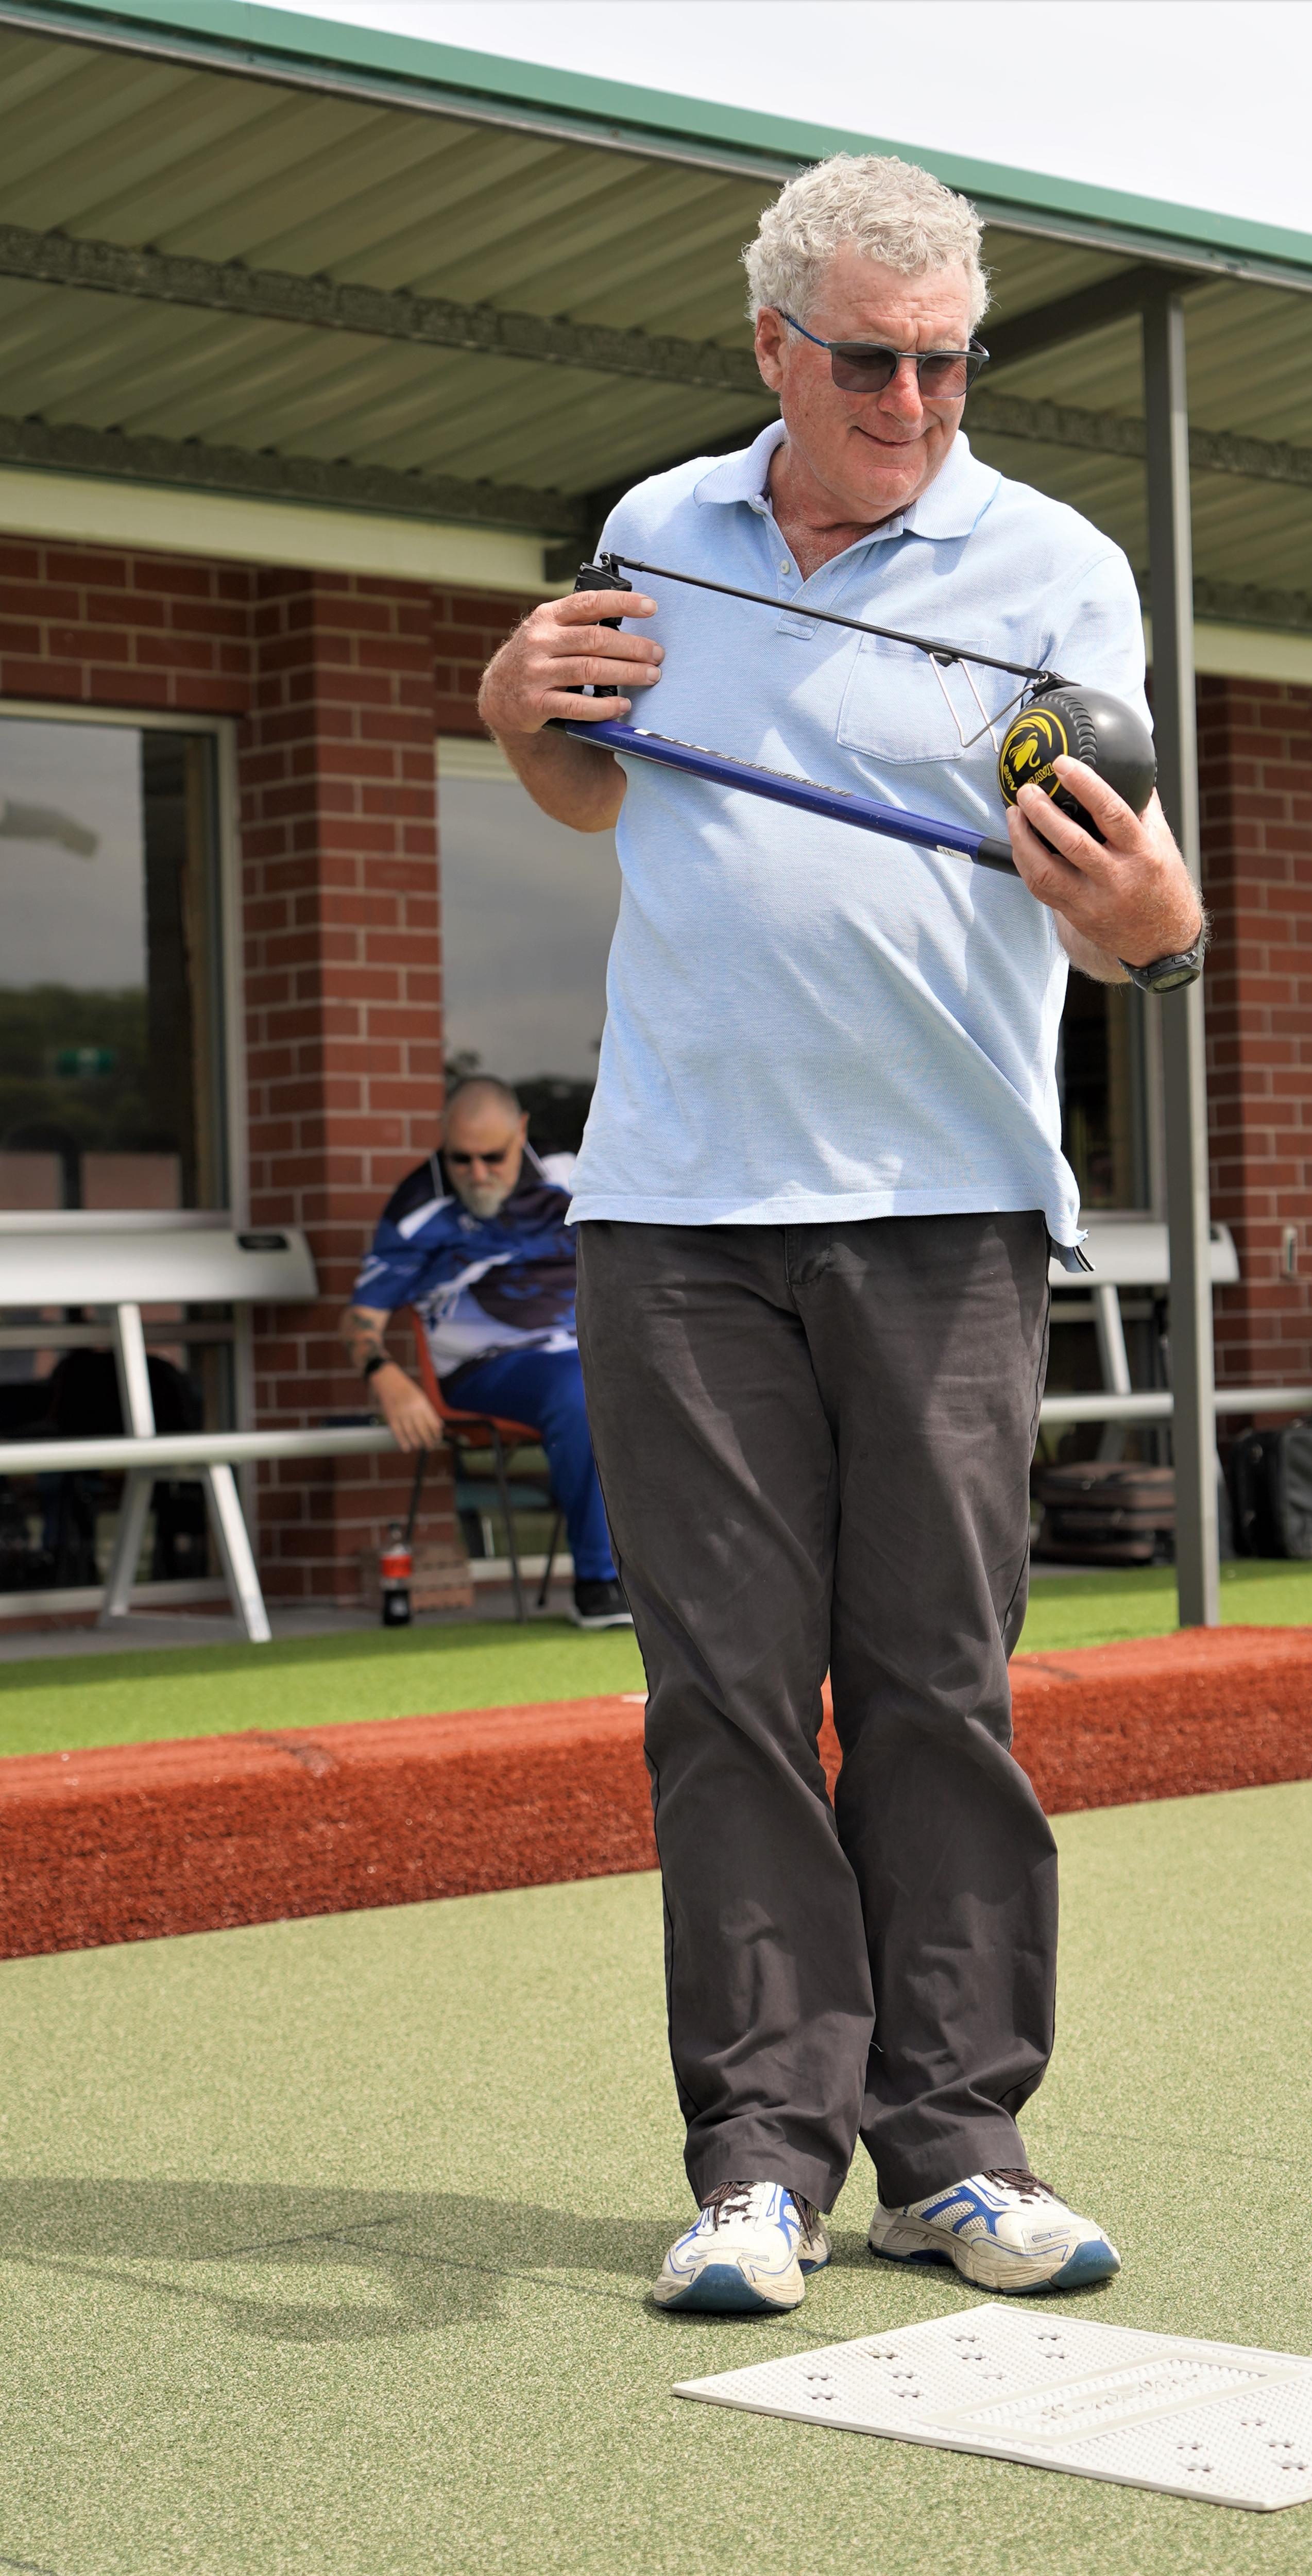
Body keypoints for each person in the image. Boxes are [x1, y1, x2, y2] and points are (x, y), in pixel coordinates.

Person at [478, 154, 1204, 2316]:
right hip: (678, 1208)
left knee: (934, 1687)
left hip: (943, 1206)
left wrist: (1156, 929)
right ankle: (759, 2168)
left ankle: (955, 2149)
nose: (913, 403)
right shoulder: (658, 528)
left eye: (948, 362)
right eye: (872, 360)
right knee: (720, 1697)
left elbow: (1124, 893)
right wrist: (518, 715)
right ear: (772, 345)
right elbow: (602, 783)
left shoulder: (1053, 564)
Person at [341, 1075, 630, 1627]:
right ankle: (600, 1584)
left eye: (493, 1157)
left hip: (590, 1348)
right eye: (461, 1159)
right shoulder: (417, 1207)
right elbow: (360, 1321)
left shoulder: (569, 1172)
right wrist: (384, 1374)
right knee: (582, 1386)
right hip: (486, 1367)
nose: (477, 1174)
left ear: (521, 1132)